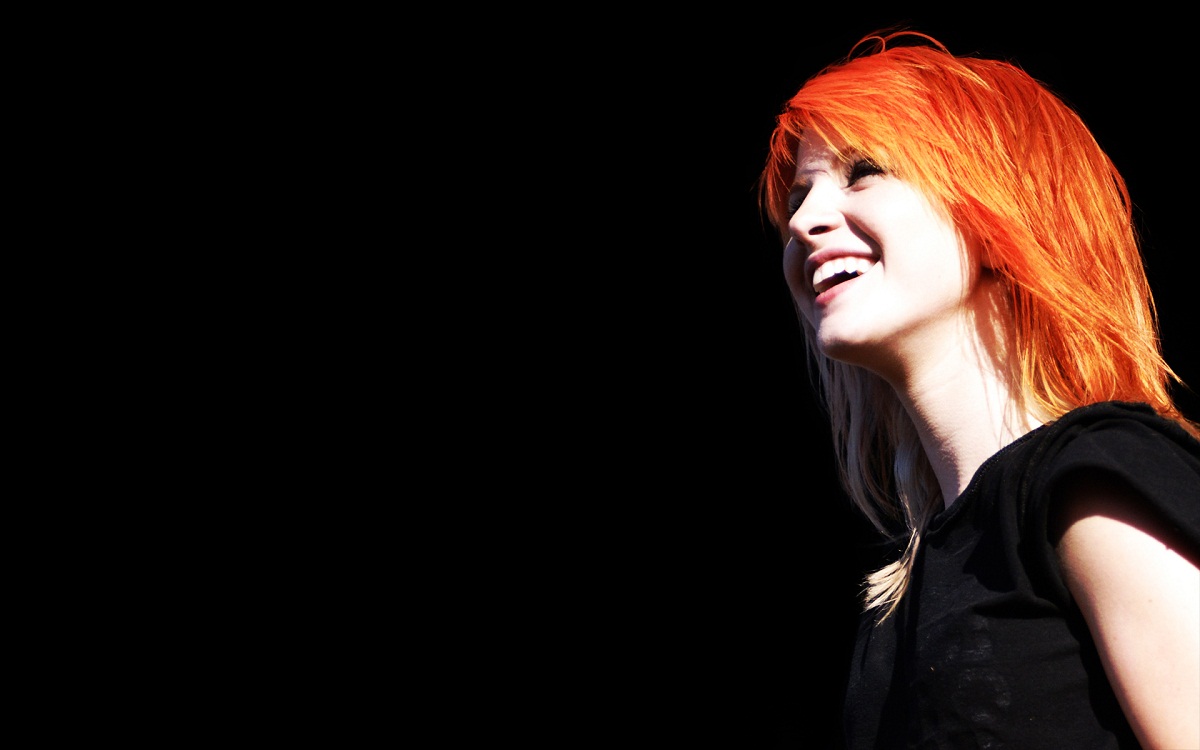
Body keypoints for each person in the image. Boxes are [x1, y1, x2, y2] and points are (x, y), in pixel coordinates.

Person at [756, 28, 1200, 749]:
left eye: (864, 171)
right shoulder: (901, 597)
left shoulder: (1092, 475)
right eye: (800, 195)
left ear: (997, 210)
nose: (804, 222)